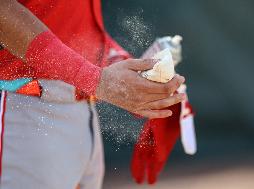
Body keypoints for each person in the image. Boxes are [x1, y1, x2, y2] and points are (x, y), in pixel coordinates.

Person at [0, 0, 186, 189]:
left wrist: (135, 78)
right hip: (25, 106)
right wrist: (96, 79)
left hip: (82, 111)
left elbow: (72, 22)